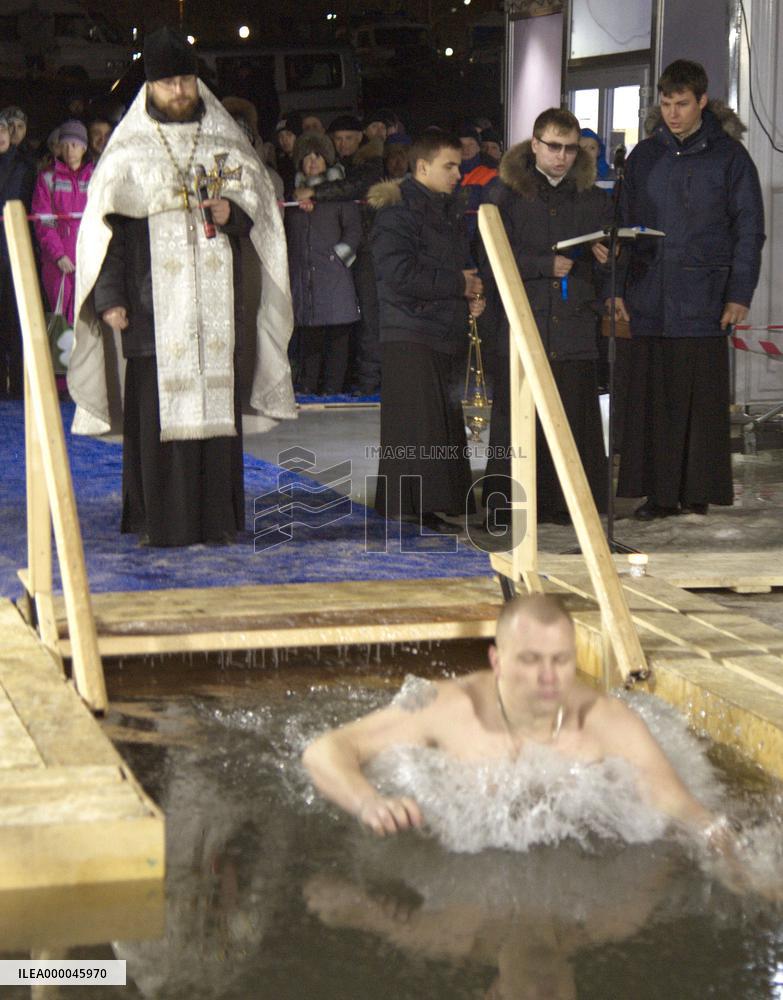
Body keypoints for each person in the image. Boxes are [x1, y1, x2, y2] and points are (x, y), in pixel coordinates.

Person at [67, 26, 295, 547]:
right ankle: (160, 520)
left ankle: (216, 520)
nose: (179, 91)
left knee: (218, 414)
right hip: (151, 311)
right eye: (169, 83)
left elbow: (261, 211)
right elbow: (106, 233)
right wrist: (110, 298)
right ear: (150, 87)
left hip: (216, 312)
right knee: (155, 416)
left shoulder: (224, 141)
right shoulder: (128, 151)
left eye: (186, 81)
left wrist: (233, 212)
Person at [302, 594, 718, 839]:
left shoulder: (607, 720)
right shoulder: (446, 706)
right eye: (531, 660)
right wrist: (369, 802)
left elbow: (684, 808)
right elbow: (326, 750)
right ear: (497, 661)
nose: (548, 677)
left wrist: (730, 857)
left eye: (560, 660)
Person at [608, 60, 765, 520]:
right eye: (666, 104)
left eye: (681, 104)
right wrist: (616, 288)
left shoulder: (730, 157)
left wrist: (739, 293)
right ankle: (657, 495)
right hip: (649, 295)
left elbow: (749, 230)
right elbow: (621, 227)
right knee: (653, 402)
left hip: (705, 296)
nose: (672, 114)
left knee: (700, 401)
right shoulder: (643, 156)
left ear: (702, 102)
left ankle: (697, 492)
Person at [482, 108, 610, 527]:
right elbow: (488, 255)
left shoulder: (593, 198)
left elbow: (610, 261)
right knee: (518, 417)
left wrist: (609, 258)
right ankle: (512, 503)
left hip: (573, 325)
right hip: (523, 323)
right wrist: (542, 264)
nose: (562, 156)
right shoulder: (505, 194)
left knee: (572, 416)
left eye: (570, 149)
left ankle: (568, 504)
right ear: (535, 144)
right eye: (554, 146)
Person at [368, 128, 485, 531]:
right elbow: (397, 273)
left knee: (436, 424)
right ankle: (409, 507)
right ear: (422, 167)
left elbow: (454, 264)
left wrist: (471, 292)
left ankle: (427, 505)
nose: (458, 174)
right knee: (416, 426)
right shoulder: (397, 212)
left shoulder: (444, 209)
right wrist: (458, 284)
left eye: (458, 166)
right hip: (410, 331)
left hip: (438, 328)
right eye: (449, 166)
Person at [295, 114, 385, 395]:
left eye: (348, 138)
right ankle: (346, 379)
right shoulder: (338, 167)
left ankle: (368, 381)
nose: (343, 143)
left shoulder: (369, 163)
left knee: (367, 317)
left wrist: (315, 192)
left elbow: (353, 188)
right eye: (338, 139)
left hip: (368, 248)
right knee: (337, 322)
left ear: (360, 138)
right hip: (342, 257)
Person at [286, 133, 361, 394]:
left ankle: (333, 389)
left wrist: (338, 256)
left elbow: (354, 230)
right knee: (310, 337)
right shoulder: (291, 197)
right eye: (307, 156)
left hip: (335, 276)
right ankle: (308, 387)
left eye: (317, 156)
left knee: (338, 337)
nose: (312, 161)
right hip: (305, 278)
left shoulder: (340, 194)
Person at [32, 119, 93, 328]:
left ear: (84, 147)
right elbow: (44, 221)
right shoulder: (47, 177)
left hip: (88, 259)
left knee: (88, 320)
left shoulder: (96, 176)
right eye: (64, 145)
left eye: (74, 144)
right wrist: (58, 255)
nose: (69, 150)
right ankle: (63, 351)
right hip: (57, 264)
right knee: (62, 323)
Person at [0, 112, 35, 398]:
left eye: (3, 130)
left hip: (15, 251)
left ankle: (21, 387)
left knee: (17, 319)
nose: (1, 135)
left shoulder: (25, 165)